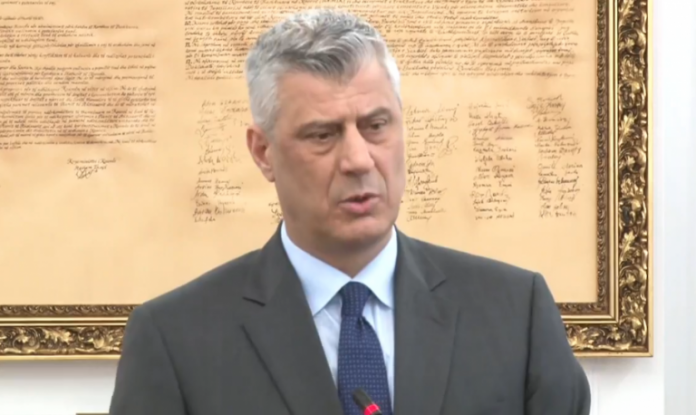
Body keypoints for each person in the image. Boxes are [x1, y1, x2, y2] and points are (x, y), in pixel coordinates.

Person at [109, 8, 591, 415]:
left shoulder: (516, 314)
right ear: (263, 152)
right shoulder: (175, 340)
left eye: (376, 126)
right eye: (323, 134)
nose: (359, 159)